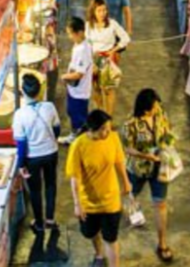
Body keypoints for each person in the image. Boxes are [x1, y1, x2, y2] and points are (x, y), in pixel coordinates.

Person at [67, 110, 132, 267]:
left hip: (111, 200)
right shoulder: (78, 145)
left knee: (111, 238)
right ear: (91, 129)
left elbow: (119, 161)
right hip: (88, 202)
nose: (107, 132)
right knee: (90, 232)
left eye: (108, 128)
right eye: (103, 129)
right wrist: (77, 204)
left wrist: (126, 182)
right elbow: (74, 177)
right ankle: (99, 254)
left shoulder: (113, 138)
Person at [122, 89, 175, 262]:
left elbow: (167, 129)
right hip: (138, 168)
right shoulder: (131, 123)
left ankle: (162, 243)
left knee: (160, 204)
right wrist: (146, 155)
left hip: (159, 168)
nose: (157, 109)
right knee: (131, 194)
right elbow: (127, 148)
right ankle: (133, 211)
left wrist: (168, 145)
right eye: (153, 107)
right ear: (145, 109)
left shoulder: (160, 113)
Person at [13, 73, 61, 232]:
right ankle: (50, 218)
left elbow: (21, 144)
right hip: (51, 153)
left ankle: (39, 222)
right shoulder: (49, 107)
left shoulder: (20, 115)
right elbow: (57, 130)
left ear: (23, 92)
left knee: (35, 189)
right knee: (50, 185)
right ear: (40, 91)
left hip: (32, 158)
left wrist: (21, 165)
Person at [86, 0, 131, 115]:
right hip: (94, 59)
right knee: (95, 89)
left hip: (107, 58)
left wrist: (114, 50)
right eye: (99, 11)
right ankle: (101, 113)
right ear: (93, 12)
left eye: (104, 10)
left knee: (109, 89)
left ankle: (109, 117)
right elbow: (86, 43)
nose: (102, 13)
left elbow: (125, 38)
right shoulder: (88, 26)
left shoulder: (112, 24)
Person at [60, 17, 93, 144]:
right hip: (74, 89)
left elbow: (79, 74)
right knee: (72, 112)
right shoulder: (79, 44)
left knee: (78, 116)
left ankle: (80, 140)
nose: (69, 36)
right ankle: (76, 135)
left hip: (80, 91)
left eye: (70, 33)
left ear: (79, 33)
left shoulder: (84, 50)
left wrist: (64, 77)